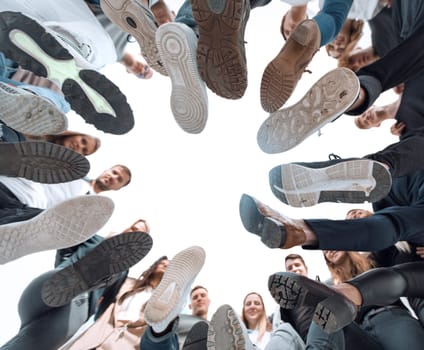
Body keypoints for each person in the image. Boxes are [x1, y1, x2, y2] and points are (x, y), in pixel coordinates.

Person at [0, 226, 153, 350]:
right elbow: (65, 248)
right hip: (54, 282)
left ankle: (85, 278)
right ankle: (80, 275)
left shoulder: (122, 272)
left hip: (80, 306)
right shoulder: (93, 238)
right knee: (60, 282)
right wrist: (64, 266)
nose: (134, 232)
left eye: (140, 232)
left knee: (33, 342)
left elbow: (108, 300)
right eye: (133, 229)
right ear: (126, 229)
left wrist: (96, 313)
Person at [0, 4, 134, 135]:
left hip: (7, 74)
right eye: (83, 143)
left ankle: (20, 96)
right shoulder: (105, 52)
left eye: (83, 149)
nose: (78, 146)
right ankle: (24, 96)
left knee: (61, 106)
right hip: (10, 62)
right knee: (62, 104)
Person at [239, 167, 424, 253]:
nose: (353, 215)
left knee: (391, 221)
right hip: (409, 193)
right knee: (385, 198)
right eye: (353, 215)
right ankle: (300, 230)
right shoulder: (384, 205)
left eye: (354, 215)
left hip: (409, 198)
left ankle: (300, 229)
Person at [0, 195, 114, 264]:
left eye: (119, 179)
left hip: (27, 211)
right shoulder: (76, 177)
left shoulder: (86, 203)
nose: (113, 178)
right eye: (114, 172)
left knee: (31, 215)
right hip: (17, 200)